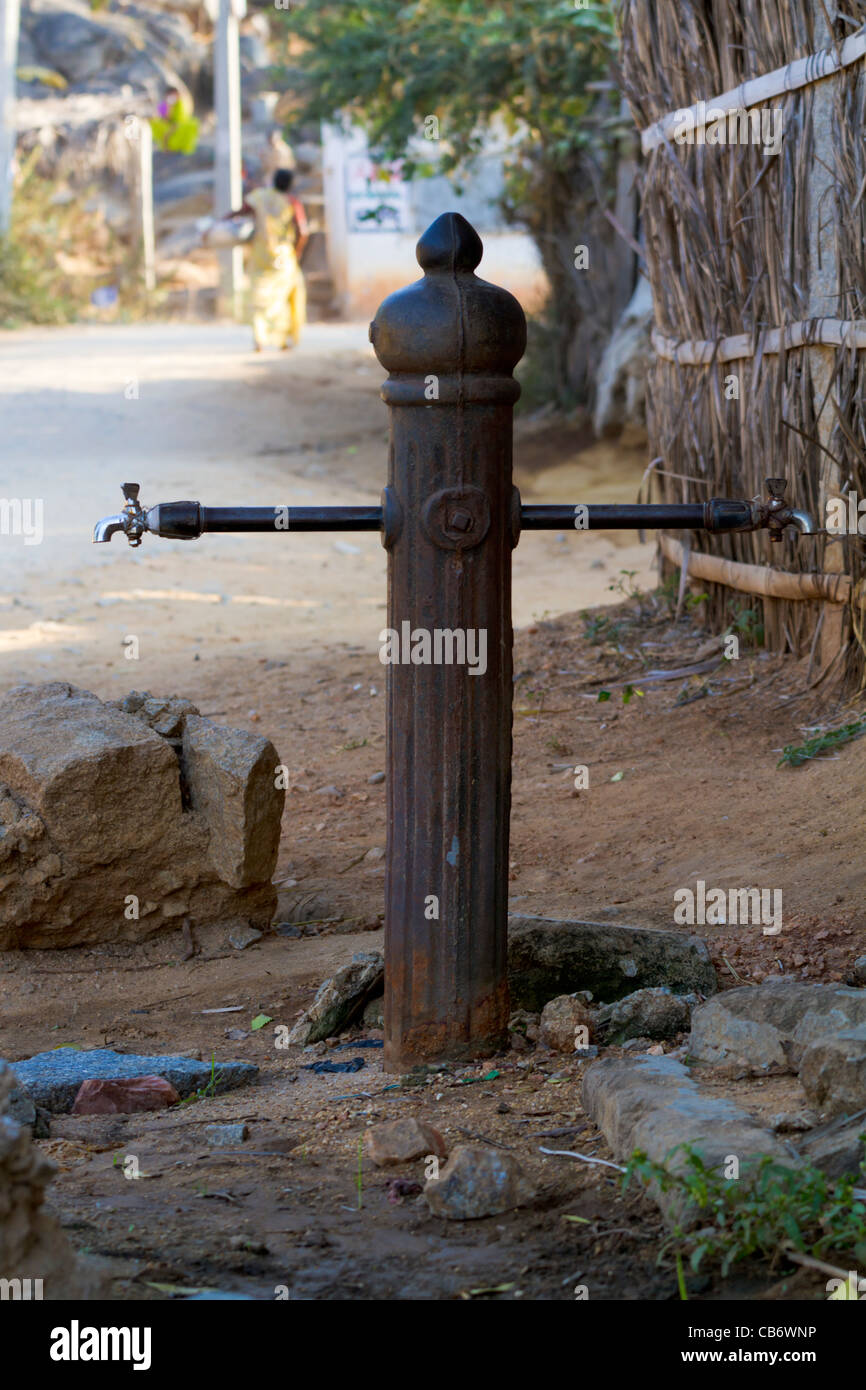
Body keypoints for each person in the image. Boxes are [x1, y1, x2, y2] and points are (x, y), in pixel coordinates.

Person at [237, 169, 309, 352]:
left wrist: (219, 224)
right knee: (283, 296)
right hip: (284, 255)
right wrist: (296, 251)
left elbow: (240, 212)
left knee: (258, 294)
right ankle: (283, 340)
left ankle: (259, 338)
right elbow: (303, 231)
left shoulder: (259, 197)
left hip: (261, 253)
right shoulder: (291, 202)